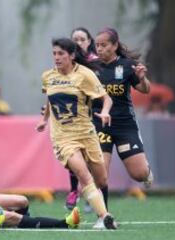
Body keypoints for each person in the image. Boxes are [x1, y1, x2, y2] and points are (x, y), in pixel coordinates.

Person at [36, 38, 117, 229]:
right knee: (82, 174)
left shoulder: (85, 75)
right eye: (54, 53)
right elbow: (50, 98)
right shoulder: (48, 76)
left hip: (87, 133)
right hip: (63, 138)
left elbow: (107, 99)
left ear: (71, 55)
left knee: (102, 179)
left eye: (61, 53)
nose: (56, 57)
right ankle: (104, 217)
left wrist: (105, 112)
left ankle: (100, 213)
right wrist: (44, 119)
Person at [92, 27, 154, 205]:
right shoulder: (91, 68)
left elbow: (145, 89)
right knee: (100, 174)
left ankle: (146, 172)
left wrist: (142, 79)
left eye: (103, 45)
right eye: (97, 45)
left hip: (124, 125)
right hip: (100, 124)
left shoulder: (127, 65)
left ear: (114, 45)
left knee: (139, 174)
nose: (99, 48)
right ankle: (103, 216)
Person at [65, 27, 99, 212]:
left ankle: (90, 192)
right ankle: (73, 190)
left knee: (91, 157)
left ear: (89, 41)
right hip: (73, 117)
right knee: (72, 153)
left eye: (81, 39)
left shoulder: (96, 63)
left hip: (96, 116)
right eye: (75, 39)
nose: (78, 42)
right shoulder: (65, 63)